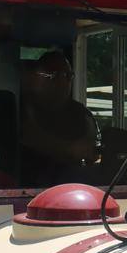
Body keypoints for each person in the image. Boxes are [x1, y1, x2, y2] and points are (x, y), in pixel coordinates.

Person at [19, 50, 98, 184]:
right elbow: (28, 137)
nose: (63, 82)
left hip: (75, 187)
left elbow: (91, 149)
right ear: (34, 78)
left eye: (68, 75)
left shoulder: (80, 112)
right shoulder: (21, 108)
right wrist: (69, 149)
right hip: (26, 187)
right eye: (53, 75)